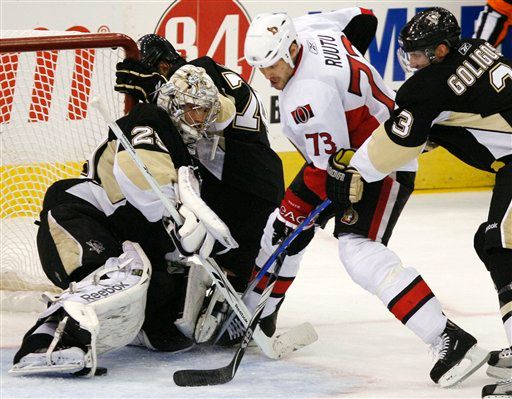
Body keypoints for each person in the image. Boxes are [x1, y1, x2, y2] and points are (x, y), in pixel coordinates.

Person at [242, 9, 490, 387]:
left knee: (354, 249)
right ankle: (261, 313)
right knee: (288, 228)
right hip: (365, 148)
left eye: (273, 65)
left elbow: (331, 173)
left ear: (290, 49)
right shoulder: (311, 27)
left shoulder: (306, 97)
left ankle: (449, 340)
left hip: (382, 158)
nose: (268, 76)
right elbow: (364, 17)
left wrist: (294, 215)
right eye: (261, 68)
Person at [9, 65, 238, 375]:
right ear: (175, 105)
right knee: (121, 275)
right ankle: (43, 342)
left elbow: (225, 110)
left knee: (163, 295)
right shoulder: (151, 119)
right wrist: (175, 216)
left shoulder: (184, 147)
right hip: (77, 216)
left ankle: (136, 327)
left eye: (205, 109)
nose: (203, 117)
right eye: (195, 109)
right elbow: (134, 173)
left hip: (119, 236)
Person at [332, 7, 511, 397]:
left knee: (502, 246)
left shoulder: (428, 87)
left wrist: (356, 169)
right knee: (492, 242)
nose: (411, 62)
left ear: (442, 50)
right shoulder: (479, 49)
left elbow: (398, 144)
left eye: (417, 54)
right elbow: (461, 115)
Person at [115, 34, 285, 341]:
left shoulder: (198, 73)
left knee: (232, 265)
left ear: (165, 64)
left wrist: (156, 91)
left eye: (158, 70)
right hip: (249, 177)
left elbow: (211, 110)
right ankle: (242, 314)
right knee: (232, 268)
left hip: (244, 181)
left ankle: (250, 316)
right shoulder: (200, 73)